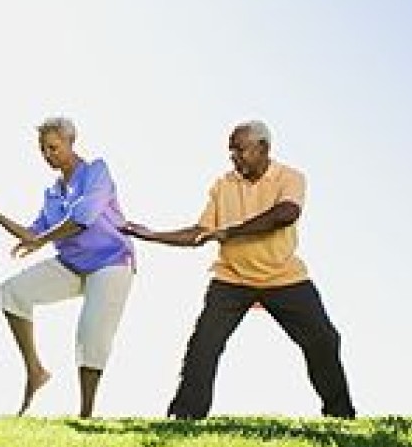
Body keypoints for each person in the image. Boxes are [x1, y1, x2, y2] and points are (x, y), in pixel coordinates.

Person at [122, 120, 356, 420]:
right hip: (231, 279)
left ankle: (340, 415)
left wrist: (232, 232)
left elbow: (285, 214)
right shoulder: (223, 184)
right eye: (231, 152)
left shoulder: (290, 177)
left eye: (240, 150)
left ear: (263, 148)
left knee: (324, 339)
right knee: (203, 345)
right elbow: (201, 233)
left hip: (283, 276)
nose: (234, 158)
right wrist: (151, 234)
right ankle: (184, 416)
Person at [0, 116, 136, 419]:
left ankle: (86, 415)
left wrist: (41, 241)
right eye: (43, 149)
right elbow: (33, 235)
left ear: (71, 141)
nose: (48, 154)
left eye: (54, 147)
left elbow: (83, 218)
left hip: (111, 263)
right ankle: (35, 370)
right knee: (13, 292)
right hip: (72, 265)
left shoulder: (97, 171)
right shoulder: (52, 194)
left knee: (90, 334)